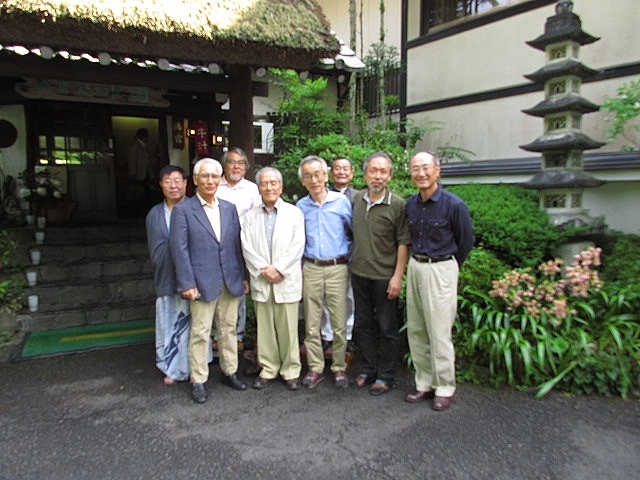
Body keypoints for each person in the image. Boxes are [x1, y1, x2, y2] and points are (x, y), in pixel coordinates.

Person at [169, 158, 249, 404]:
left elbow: (235, 245)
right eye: (205, 176)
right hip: (201, 282)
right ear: (195, 180)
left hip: (230, 279)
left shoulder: (229, 208)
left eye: (215, 176)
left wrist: (243, 276)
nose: (210, 181)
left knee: (228, 329)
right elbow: (179, 250)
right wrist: (187, 283)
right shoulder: (183, 210)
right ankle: (198, 379)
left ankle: (229, 371)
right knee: (201, 332)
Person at [404, 151, 474, 411]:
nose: (421, 173)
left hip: (441, 268)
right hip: (415, 267)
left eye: (426, 168)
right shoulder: (411, 204)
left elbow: (465, 242)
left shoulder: (453, 205)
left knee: (439, 332)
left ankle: (444, 386)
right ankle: (423, 382)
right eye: (416, 168)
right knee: (417, 329)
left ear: (437, 170)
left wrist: (448, 268)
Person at [351, 152, 410, 395]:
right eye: (373, 170)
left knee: (387, 328)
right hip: (359, 273)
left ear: (390, 176)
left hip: (385, 276)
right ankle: (368, 369)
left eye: (383, 171)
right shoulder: (356, 200)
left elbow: (403, 242)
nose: (378, 176)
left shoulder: (398, 205)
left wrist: (397, 276)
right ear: (365, 174)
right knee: (362, 324)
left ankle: (386, 375)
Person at [241, 167, 305, 391]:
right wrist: (264, 270)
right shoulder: (249, 217)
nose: (269, 187)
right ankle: (268, 368)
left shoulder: (294, 213)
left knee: (288, 329)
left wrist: (278, 269)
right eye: (264, 183)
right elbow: (247, 247)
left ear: (281, 187)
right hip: (262, 280)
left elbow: (298, 246)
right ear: (258, 188)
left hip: (286, 280)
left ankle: (291, 370)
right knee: (265, 329)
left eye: (273, 183)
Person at [296, 155, 352, 389]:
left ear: (326, 176)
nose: (314, 180)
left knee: (339, 322)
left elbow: (352, 232)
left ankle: (339, 367)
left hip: (338, 267)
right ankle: (315, 367)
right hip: (311, 267)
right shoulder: (301, 207)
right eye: (308, 176)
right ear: (303, 181)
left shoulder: (341, 202)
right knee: (312, 322)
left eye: (318, 174)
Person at [146, 165, 190, 386]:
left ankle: (194, 368)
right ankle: (171, 368)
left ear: (185, 183)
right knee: (169, 323)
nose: (173, 185)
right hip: (165, 277)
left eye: (177, 180)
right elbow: (154, 249)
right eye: (167, 181)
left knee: (192, 326)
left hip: (191, 280)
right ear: (161, 185)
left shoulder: (194, 208)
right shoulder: (154, 214)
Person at [216, 147, 261, 350]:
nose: (236, 166)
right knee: (216, 289)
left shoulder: (252, 190)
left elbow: (257, 218)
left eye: (240, 163)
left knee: (239, 289)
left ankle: (238, 334)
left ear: (246, 167)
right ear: (224, 165)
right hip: (216, 245)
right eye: (232, 162)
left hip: (241, 246)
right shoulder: (215, 185)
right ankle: (216, 335)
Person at [320, 157, 358, 356]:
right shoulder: (322, 194)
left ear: (352, 173)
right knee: (326, 298)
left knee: (348, 298)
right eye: (337, 168)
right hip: (328, 254)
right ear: (331, 173)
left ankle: (348, 336)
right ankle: (327, 335)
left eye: (345, 169)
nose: (341, 172)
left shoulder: (358, 197)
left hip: (350, 254)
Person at [128, 128, 150, 201]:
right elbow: (132, 160)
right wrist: (133, 173)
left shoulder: (142, 146)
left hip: (143, 172)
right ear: (143, 136)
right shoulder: (136, 146)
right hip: (139, 173)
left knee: (143, 191)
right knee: (138, 192)